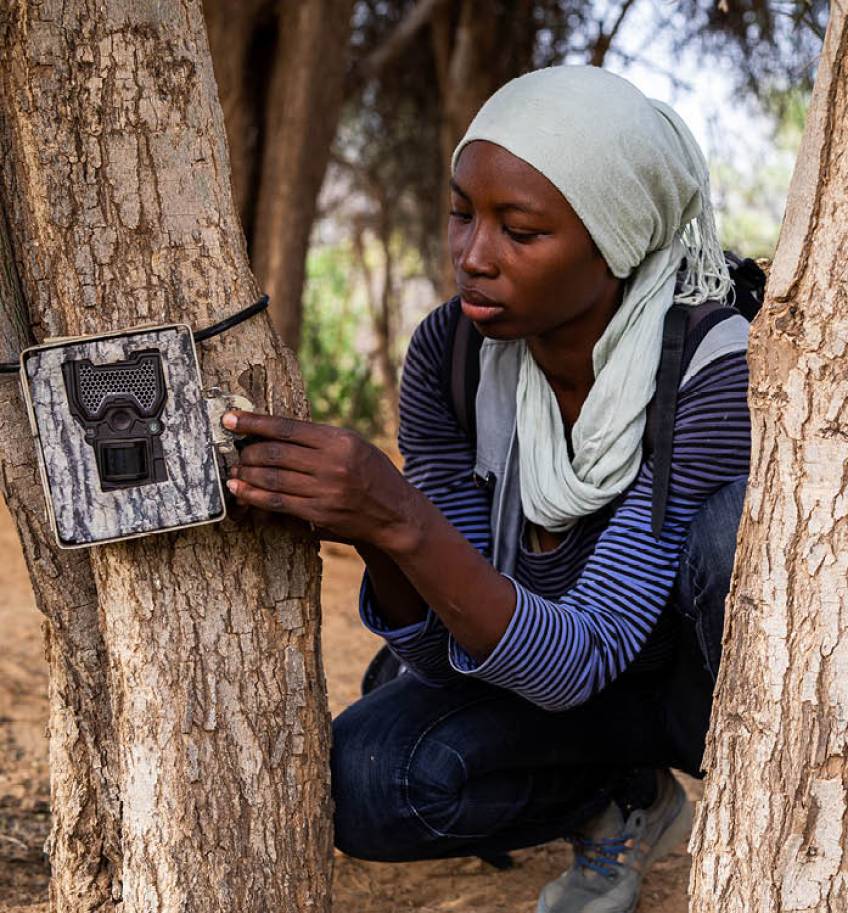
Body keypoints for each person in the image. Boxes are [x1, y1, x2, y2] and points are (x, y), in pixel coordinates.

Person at [223, 65, 755, 913]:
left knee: (733, 533)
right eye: (463, 214)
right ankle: (621, 796)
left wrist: (398, 515)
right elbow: (441, 653)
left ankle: (760, 813)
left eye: (521, 230)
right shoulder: (454, 356)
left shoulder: (712, 371)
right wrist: (375, 527)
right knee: (367, 777)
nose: (473, 257)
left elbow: (583, 651)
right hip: (561, 692)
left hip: (691, 692)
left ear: (614, 239)